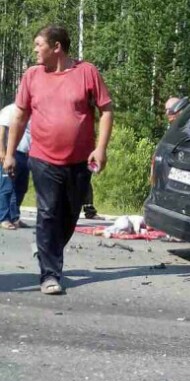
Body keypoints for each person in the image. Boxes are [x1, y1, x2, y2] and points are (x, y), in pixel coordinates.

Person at [2, 25, 113, 294]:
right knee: (48, 211)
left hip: (79, 161)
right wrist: (9, 154)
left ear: (56, 47)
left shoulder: (87, 72)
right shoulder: (32, 76)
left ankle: (45, 248)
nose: (35, 50)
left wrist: (101, 148)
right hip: (42, 158)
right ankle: (50, 275)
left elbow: (106, 110)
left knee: (70, 214)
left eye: (38, 45)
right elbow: (19, 116)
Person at [0, 103, 31, 229]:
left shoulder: (31, 113)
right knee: (7, 187)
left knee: (21, 187)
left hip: (25, 154)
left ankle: (14, 216)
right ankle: (4, 218)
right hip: (10, 153)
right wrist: (2, 152)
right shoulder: (10, 110)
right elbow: (1, 131)